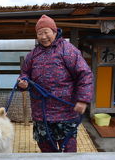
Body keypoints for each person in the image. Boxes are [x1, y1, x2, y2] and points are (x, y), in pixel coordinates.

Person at [17, 14, 94, 153]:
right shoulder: (33, 54)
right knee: (46, 149)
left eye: (46, 32)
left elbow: (85, 74)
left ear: (54, 31)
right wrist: (23, 83)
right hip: (41, 112)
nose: (43, 36)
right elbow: (25, 73)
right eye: (39, 33)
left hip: (65, 112)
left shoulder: (68, 50)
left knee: (68, 149)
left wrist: (83, 100)